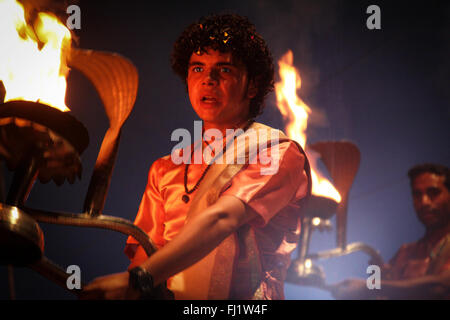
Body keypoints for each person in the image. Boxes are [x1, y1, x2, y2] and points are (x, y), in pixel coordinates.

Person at [81, 13, 311, 300]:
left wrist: (138, 280)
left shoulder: (277, 152)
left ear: (253, 85)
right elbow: (144, 255)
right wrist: (136, 283)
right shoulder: (165, 169)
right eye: (198, 68)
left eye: (224, 70)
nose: (208, 80)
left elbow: (222, 218)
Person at [331, 163, 450, 299]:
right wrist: (375, 271)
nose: (424, 202)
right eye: (417, 195)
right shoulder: (406, 252)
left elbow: (440, 286)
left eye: (433, 193)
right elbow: (377, 290)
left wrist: (369, 287)